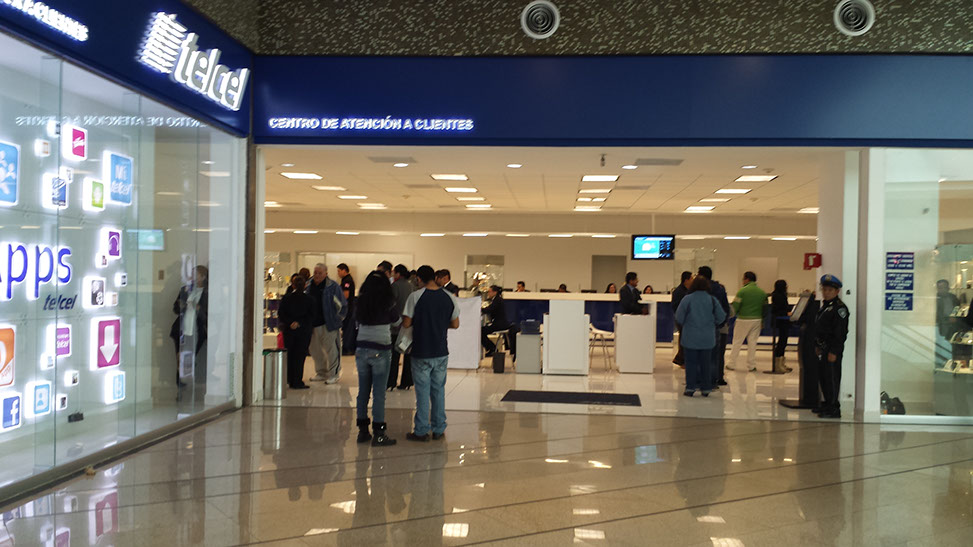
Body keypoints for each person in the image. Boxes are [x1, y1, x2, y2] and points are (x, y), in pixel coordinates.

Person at [402, 265, 460, 442]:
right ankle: (439, 428)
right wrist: (440, 324)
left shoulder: (415, 296)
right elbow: (455, 324)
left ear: (419, 279)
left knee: (422, 392)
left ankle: (421, 431)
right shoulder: (449, 297)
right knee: (438, 391)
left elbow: (406, 323)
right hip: (441, 351)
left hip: (421, 351)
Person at [354, 270, 399, 446]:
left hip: (361, 348)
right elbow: (396, 321)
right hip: (381, 348)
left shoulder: (360, 301)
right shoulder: (387, 301)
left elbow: (356, 320)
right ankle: (379, 433)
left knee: (363, 392)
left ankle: (362, 431)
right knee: (379, 393)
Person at [675, 275, 726, 397]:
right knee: (706, 364)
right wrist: (712, 323)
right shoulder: (712, 300)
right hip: (707, 338)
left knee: (691, 363)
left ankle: (690, 388)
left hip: (690, 337)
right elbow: (721, 317)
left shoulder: (687, 299)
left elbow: (679, 317)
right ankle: (706, 388)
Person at [813, 274, 849, 419]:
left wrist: (834, 351)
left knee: (832, 378)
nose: (826, 292)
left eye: (830, 290)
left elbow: (840, 333)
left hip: (832, 348)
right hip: (823, 347)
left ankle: (834, 407)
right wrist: (817, 345)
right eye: (824, 289)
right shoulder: (826, 306)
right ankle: (827, 403)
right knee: (824, 377)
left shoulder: (839, 309)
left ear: (837, 291)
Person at [169, 265, 209, 394]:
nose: (192, 277)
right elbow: (175, 309)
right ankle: (179, 382)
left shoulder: (207, 293)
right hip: (181, 329)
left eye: (195, 274)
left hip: (196, 330)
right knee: (179, 355)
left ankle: (188, 379)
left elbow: (207, 315)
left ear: (203, 277)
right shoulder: (185, 289)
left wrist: (198, 308)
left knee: (190, 357)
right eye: (192, 274)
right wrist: (181, 305)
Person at [306, 263, 348, 384]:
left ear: (326, 274)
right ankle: (321, 372)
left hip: (328, 324)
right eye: (315, 272)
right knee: (315, 350)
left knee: (332, 350)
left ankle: (334, 374)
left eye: (320, 273)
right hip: (312, 324)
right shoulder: (308, 285)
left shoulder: (333, 286)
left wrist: (337, 319)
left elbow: (342, 305)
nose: (317, 275)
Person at [726, 271, 768, 372]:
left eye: (743, 279)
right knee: (752, 343)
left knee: (737, 342)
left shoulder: (742, 291)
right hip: (757, 320)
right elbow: (765, 308)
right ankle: (751, 365)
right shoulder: (762, 293)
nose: (742, 281)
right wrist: (762, 319)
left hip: (743, 319)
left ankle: (731, 364)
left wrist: (732, 315)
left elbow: (735, 307)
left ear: (747, 279)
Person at [278, 274, 313, 389]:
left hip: (289, 331)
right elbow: (311, 315)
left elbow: (281, 314)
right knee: (300, 356)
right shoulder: (309, 299)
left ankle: (289, 378)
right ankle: (297, 380)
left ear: (292, 285)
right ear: (305, 285)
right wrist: (299, 322)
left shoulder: (287, 298)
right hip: (303, 331)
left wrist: (290, 323)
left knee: (290, 354)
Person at [697, 266, 731, 387]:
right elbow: (726, 308)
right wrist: (720, 323)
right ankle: (715, 380)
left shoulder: (698, 290)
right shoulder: (719, 289)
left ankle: (700, 380)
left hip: (700, 327)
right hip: (716, 326)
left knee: (700, 354)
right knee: (716, 355)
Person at [388, 264, 414, 390]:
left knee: (394, 355)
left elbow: (390, 305)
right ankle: (407, 382)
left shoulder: (395, 286)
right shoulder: (411, 286)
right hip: (409, 326)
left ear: (398, 273)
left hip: (396, 326)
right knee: (408, 354)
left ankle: (391, 382)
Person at [482, 285, 516, 358]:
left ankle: (492, 348)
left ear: (495, 292)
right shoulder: (497, 299)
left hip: (500, 324)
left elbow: (489, 309)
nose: (488, 293)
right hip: (500, 323)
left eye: (489, 292)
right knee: (482, 330)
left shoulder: (497, 300)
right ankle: (492, 348)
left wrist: (481, 309)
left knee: (481, 331)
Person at [770, 279, 793, 374]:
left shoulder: (778, 295)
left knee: (783, 342)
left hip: (782, 321)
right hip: (781, 321)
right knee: (782, 342)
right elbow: (777, 310)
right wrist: (787, 313)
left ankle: (781, 363)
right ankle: (778, 365)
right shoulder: (779, 296)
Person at [671, 271, 693, 367]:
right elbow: (675, 306)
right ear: (686, 280)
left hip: (686, 318)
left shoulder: (688, 291)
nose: (693, 280)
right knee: (684, 339)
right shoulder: (679, 291)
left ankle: (681, 359)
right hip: (682, 319)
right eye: (691, 278)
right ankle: (681, 360)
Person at [337, 263, 357, 356]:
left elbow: (346, 295)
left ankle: (347, 348)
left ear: (344, 270)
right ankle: (346, 347)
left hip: (348, 308)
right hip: (348, 307)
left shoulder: (347, 281)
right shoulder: (345, 280)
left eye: (339, 271)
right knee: (346, 328)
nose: (338, 273)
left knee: (347, 328)